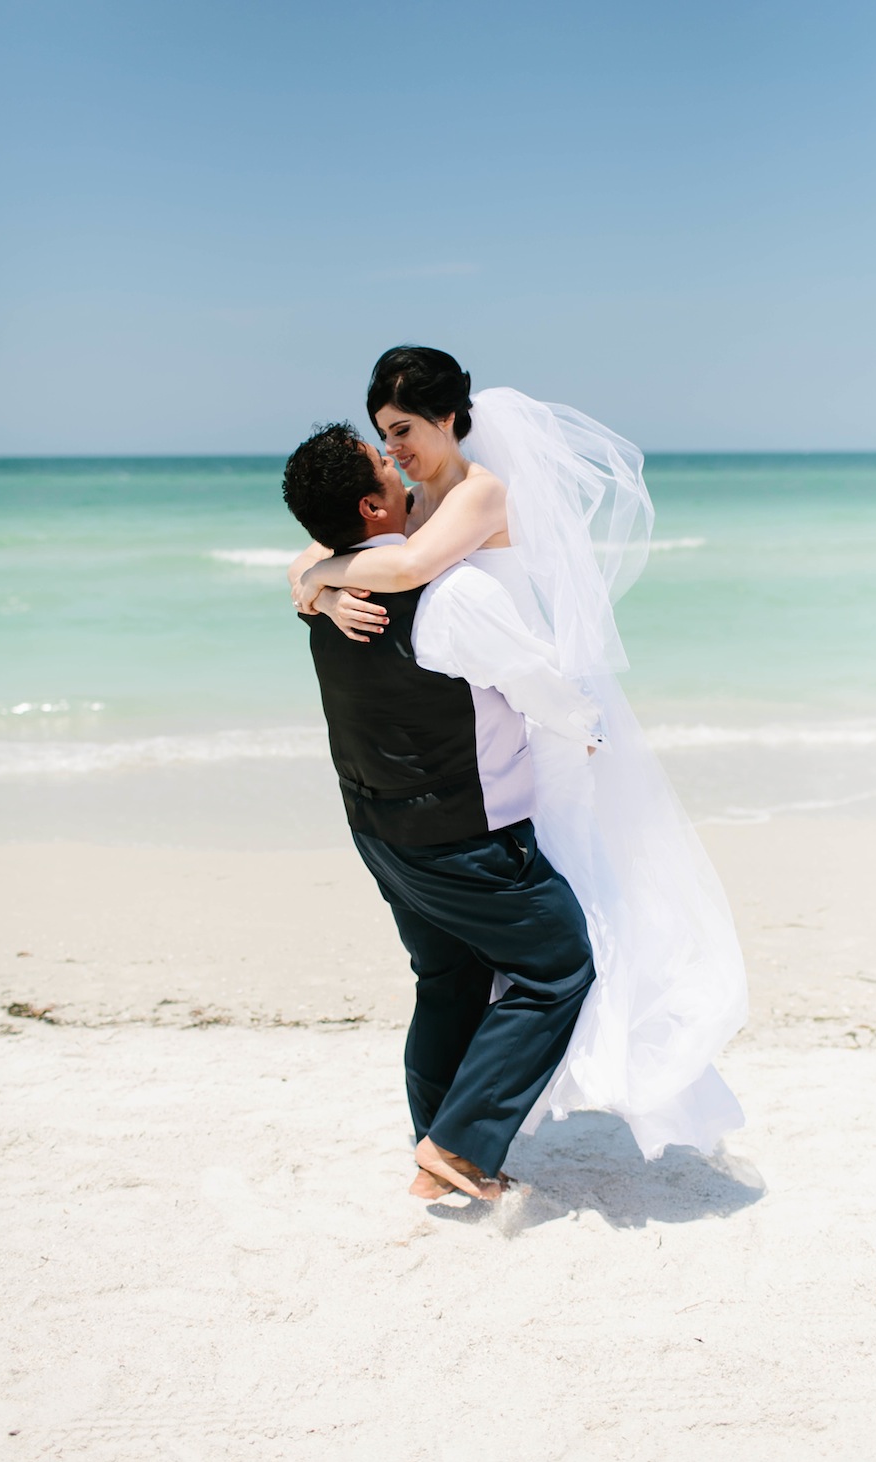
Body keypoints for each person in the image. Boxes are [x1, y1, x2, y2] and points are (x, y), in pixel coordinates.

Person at [291, 348, 748, 1160]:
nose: (394, 447)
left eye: (403, 429)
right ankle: (461, 1133)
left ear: (448, 419)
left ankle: (530, 1096)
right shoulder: (417, 498)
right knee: (506, 947)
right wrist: (318, 579)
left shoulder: (478, 493)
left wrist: (322, 575)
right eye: (382, 436)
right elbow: (355, 550)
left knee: (571, 897)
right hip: (486, 710)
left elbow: (405, 564)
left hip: (531, 714)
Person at [282, 420, 604, 1201]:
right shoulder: (453, 592)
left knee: (448, 976)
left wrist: (315, 581)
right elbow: (533, 681)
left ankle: (437, 1146)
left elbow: (308, 575)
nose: (396, 463)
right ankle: (458, 1147)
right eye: (380, 465)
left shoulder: (327, 592)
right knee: (557, 968)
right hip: (464, 834)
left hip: (377, 827)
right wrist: (590, 729)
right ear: (370, 506)